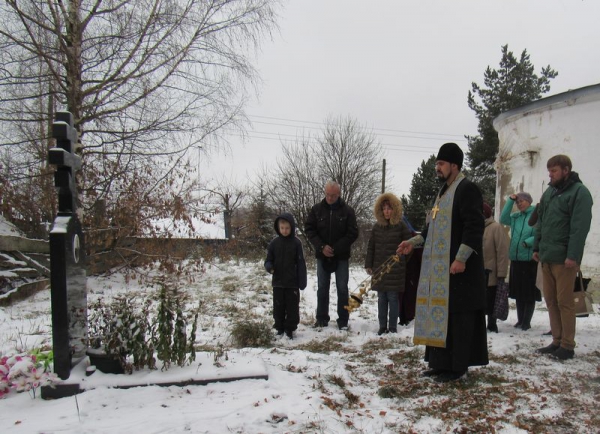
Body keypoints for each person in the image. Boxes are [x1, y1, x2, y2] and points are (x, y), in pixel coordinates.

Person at [397, 142, 488, 383]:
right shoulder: (443, 192)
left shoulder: (467, 189)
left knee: (458, 319)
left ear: (454, 165)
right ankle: (440, 364)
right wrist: (413, 242)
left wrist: (461, 258)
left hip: (460, 271)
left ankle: (457, 367)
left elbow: (474, 226)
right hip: (441, 271)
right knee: (442, 316)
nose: (437, 167)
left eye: (441, 163)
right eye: (436, 163)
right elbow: (431, 229)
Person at [533, 154, 593, 360]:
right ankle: (557, 340)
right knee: (550, 300)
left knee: (565, 302)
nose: (550, 175)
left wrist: (573, 256)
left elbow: (580, 227)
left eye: (554, 171)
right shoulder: (549, 193)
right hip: (547, 257)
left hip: (565, 259)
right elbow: (541, 221)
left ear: (566, 170)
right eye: (549, 171)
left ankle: (567, 345)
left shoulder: (579, 193)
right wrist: (536, 246)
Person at [305, 181, 359, 330]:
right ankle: (321, 319)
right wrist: (321, 247)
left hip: (341, 257)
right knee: (322, 287)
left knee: (342, 288)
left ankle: (343, 321)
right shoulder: (316, 210)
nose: (329, 198)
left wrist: (336, 248)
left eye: (333, 195)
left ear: (339, 195)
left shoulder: (348, 211)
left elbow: (353, 233)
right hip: (322, 256)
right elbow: (309, 229)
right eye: (327, 194)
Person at [364, 192, 412, 335]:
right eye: (384, 208)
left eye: (389, 208)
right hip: (379, 269)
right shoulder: (377, 227)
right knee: (381, 299)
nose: (387, 211)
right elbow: (371, 246)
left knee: (392, 298)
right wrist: (369, 264)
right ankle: (382, 326)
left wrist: (401, 262)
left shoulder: (401, 226)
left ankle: (392, 327)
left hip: (395, 269)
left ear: (395, 209)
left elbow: (409, 246)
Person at [500, 191, 539, 331]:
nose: (519, 204)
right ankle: (520, 319)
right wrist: (510, 200)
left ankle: (526, 321)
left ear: (529, 201)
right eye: (518, 202)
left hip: (529, 259)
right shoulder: (516, 217)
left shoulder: (536, 215)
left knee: (528, 292)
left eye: (522, 201)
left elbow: (542, 233)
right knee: (518, 292)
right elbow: (503, 219)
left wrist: (528, 243)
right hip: (516, 259)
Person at [264, 213, 307, 339]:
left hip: (292, 283)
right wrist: (269, 267)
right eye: (282, 228)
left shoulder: (296, 243)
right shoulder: (274, 243)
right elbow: (268, 260)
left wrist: (302, 281)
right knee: (278, 308)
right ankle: (279, 328)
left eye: (287, 228)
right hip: (277, 283)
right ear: (278, 228)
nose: (284, 230)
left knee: (292, 308)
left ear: (292, 227)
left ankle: (290, 329)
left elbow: (301, 263)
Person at [482, 202, 509, 333]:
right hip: (478, 271)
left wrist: (502, 272)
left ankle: (492, 323)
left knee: (491, 298)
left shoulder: (495, 227)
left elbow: (502, 251)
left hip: (491, 271)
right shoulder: (475, 227)